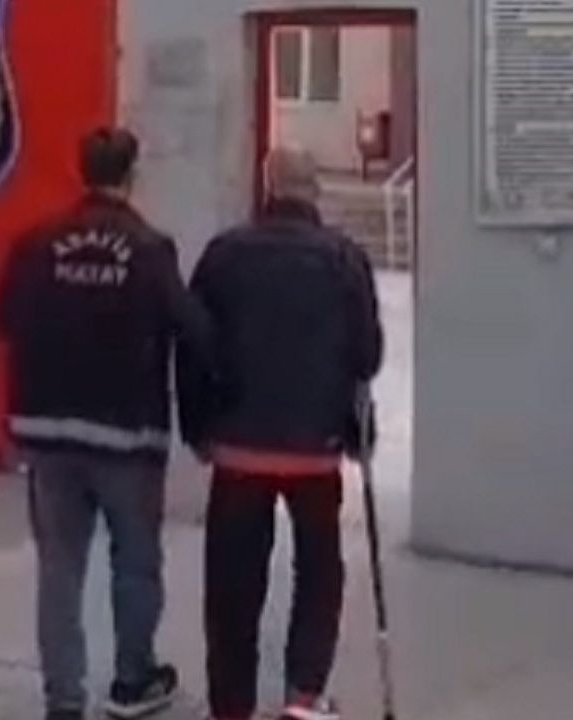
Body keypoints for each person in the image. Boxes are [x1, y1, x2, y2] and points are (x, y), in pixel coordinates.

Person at [0, 128, 210, 720]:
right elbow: (192, 328)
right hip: (126, 434)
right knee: (134, 561)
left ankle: (64, 700)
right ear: (132, 175)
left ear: (80, 171)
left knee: (59, 570)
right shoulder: (150, 248)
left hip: (47, 432)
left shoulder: (35, 243)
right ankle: (133, 682)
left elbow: (1, 318)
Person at [177, 148, 384, 720]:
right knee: (319, 573)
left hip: (238, 447)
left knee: (232, 582)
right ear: (314, 191)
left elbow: (193, 346)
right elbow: (367, 355)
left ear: (267, 186)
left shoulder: (224, 254)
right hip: (315, 451)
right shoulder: (344, 259)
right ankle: (303, 696)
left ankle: (231, 706)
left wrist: (197, 427)